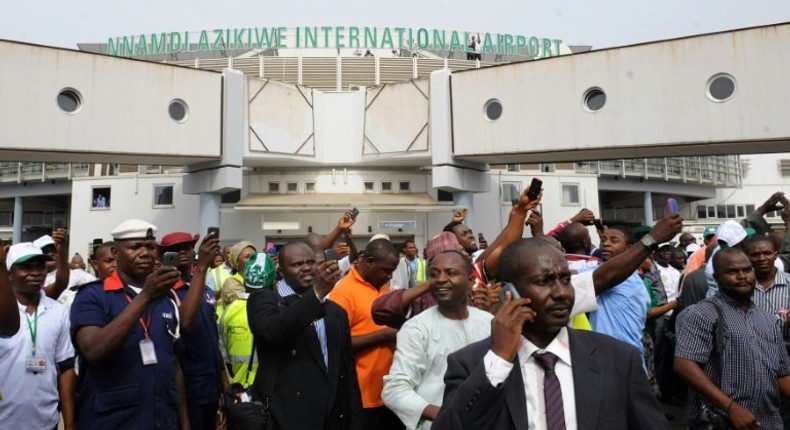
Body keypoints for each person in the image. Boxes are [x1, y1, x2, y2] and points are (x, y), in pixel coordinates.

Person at [433, 238, 668, 429]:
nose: (561, 293)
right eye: (544, 282)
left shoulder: (618, 359)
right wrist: (499, 360)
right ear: (509, 291)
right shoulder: (470, 364)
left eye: (565, 280)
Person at [70, 219, 188, 429]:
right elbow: (94, 350)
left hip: (161, 419)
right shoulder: (93, 296)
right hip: (112, 420)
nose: (145, 253)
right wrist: (145, 297)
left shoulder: (165, 298)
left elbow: (174, 365)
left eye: (151, 247)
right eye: (135, 247)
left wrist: (184, 424)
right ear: (115, 253)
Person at [248, 241, 364, 429]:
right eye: (297, 264)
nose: (307, 268)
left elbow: (347, 371)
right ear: (282, 270)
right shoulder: (265, 298)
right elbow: (273, 331)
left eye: (311, 262)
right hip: (287, 416)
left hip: (332, 417)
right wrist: (317, 293)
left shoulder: (336, 312)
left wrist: (356, 421)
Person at [675, 248, 790, 429]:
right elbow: (684, 365)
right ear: (717, 277)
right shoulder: (702, 313)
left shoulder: (768, 320)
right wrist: (731, 407)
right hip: (720, 422)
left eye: (747, 270)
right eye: (732, 272)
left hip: (767, 422)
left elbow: (782, 373)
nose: (742, 276)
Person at [382, 250, 493, 429]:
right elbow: (395, 390)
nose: (440, 279)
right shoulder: (416, 328)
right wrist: (446, 415)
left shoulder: (489, 323)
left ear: (471, 281)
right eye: (434, 274)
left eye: (451, 273)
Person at [0, 242, 77, 430]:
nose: (35, 273)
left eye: (40, 267)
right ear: (9, 273)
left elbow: (66, 368)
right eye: (26, 267)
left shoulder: (58, 310)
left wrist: (69, 423)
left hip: (45, 422)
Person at [330, 238, 402, 429]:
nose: (389, 276)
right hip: (362, 397)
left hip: (390, 392)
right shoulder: (343, 293)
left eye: (392, 271)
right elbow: (336, 344)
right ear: (369, 262)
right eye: (386, 270)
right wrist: (384, 336)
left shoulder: (383, 286)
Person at [160, 231, 223, 430]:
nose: (182, 253)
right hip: (188, 386)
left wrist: (224, 382)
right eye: (175, 250)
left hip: (211, 383)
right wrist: (203, 267)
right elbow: (185, 323)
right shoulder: (166, 290)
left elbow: (213, 336)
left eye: (186, 248)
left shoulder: (205, 289)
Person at [589, 225, 652, 356]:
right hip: (613, 356)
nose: (606, 244)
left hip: (621, 359)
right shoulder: (605, 272)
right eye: (603, 240)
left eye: (614, 240)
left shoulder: (618, 278)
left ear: (629, 249)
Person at [219, 253, 276, 387]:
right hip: (271, 391)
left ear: (244, 281)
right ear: (273, 283)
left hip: (240, 391)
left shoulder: (229, 311)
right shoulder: (278, 310)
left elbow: (223, 356)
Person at [34, 231, 96, 309]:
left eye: (54, 250)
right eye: (45, 251)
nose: (50, 254)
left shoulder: (76, 274)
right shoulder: (33, 278)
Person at [217, 240, 257, 311]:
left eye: (254, 257)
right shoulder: (231, 282)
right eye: (247, 257)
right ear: (237, 261)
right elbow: (247, 300)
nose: (252, 260)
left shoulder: (259, 279)